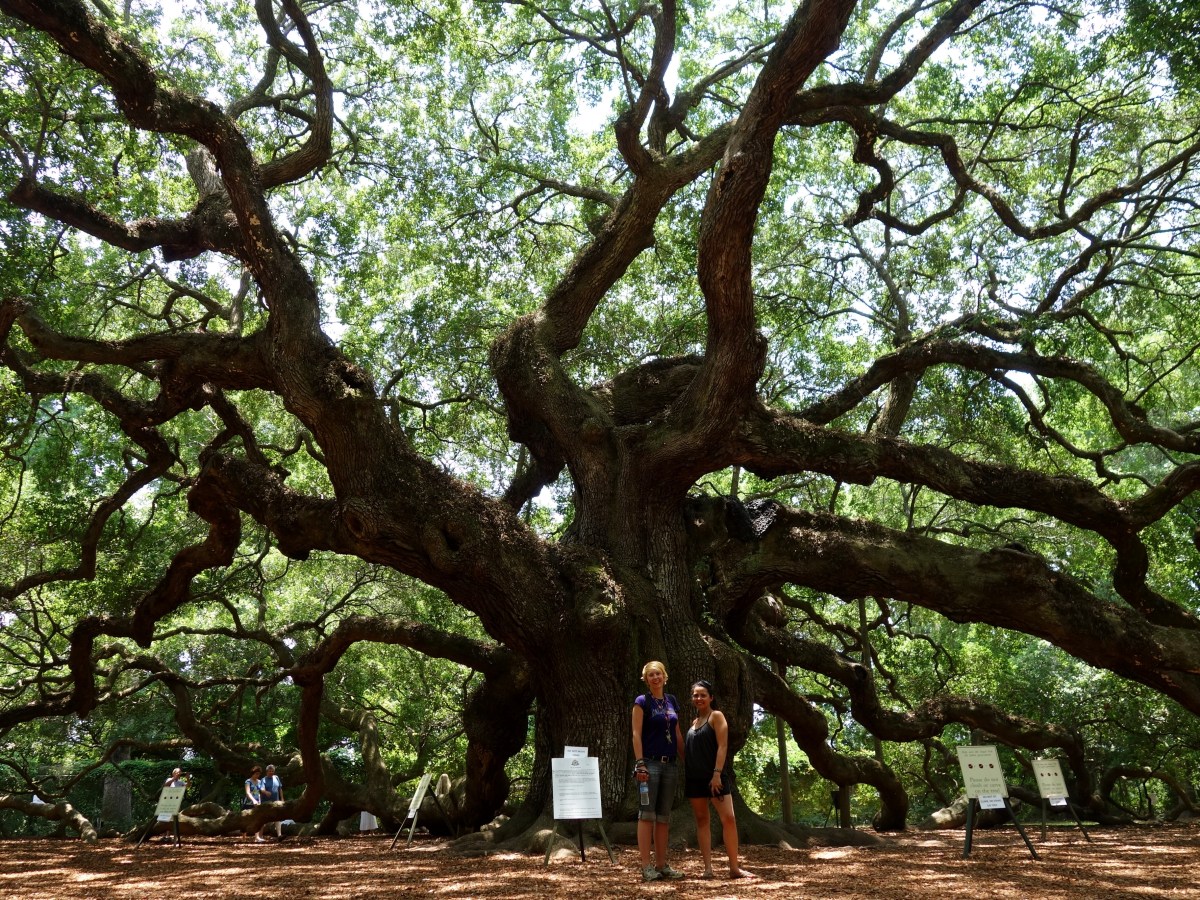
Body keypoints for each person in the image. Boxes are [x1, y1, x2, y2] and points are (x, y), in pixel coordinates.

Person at [685, 680, 754, 879]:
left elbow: (723, 746)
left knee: (729, 819)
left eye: (703, 695)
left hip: (715, 777)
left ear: (711, 697)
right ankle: (708, 869)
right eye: (695, 695)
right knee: (701, 820)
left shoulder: (716, 716)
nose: (699, 698)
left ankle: (734, 868)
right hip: (695, 779)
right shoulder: (693, 723)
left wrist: (716, 774)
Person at [631, 660, 685, 882]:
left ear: (664, 676)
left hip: (670, 764)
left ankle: (662, 865)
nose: (655, 678)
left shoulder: (672, 701)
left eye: (658, 674)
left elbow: (678, 734)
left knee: (663, 816)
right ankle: (646, 867)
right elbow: (636, 734)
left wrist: (686, 761)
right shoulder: (642, 702)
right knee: (647, 815)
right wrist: (640, 763)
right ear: (646, 679)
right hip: (650, 764)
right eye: (651, 675)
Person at [259, 764, 284, 839]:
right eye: (270, 771)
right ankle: (260, 836)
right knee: (263, 819)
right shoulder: (264, 779)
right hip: (265, 803)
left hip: (275, 802)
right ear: (267, 771)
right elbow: (261, 789)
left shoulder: (276, 778)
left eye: (272, 771)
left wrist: (282, 799)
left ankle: (279, 835)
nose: (271, 772)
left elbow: (280, 789)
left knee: (277, 818)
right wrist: (266, 792)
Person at [243, 765, 266, 842]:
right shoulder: (248, 781)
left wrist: (259, 800)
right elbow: (248, 792)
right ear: (252, 773)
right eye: (256, 774)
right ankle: (243, 837)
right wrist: (253, 800)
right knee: (246, 819)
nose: (257, 775)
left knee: (257, 819)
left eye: (259, 774)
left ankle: (257, 837)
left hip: (257, 803)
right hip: (248, 802)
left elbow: (259, 793)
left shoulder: (259, 782)